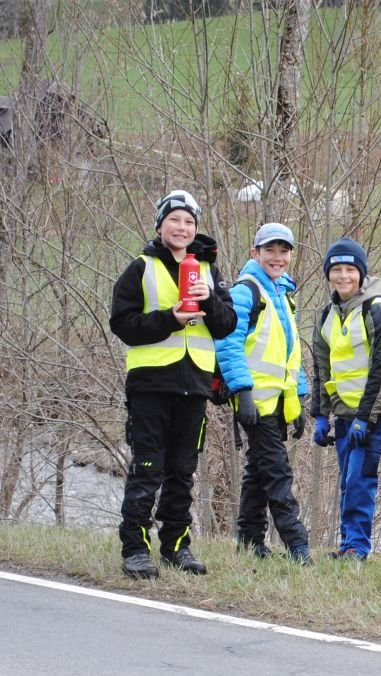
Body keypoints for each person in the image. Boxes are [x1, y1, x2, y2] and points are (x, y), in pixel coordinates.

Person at [110, 189, 237, 579]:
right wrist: (170, 319)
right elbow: (123, 324)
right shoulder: (140, 268)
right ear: (160, 225)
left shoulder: (208, 271)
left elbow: (227, 325)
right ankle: (136, 549)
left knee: (183, 471)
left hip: (194, 384)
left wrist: (209, 299)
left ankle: (176, 546)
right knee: (148, 467)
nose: (182, 228)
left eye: (189, 221)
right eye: (174, 220)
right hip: (150, 384)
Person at [215, 222, 312, 564]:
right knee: (277, 472)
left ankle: (249, 539)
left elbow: (290, 351)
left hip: (277, 402)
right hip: (255, 401)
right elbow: (228, 344)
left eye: (284, 251)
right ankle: (298, 546)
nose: (277, 257)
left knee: (258, 471)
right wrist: (242, 392)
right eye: (270, 250)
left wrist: (300, 397)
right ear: (255, 253)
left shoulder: (283, 294)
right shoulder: (245, 292)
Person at [309, 238, 381, 560]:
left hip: (370, 415)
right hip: (343, 413)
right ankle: (348, 543)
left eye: (350, 269)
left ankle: (357, 547)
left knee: (360, 480)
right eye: (336, 270)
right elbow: (321, 368)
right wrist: (320, 415)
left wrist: (366, 416)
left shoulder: (378, 310)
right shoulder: (327, 314)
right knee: (348, 482)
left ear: (361, 273)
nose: (343, 276)